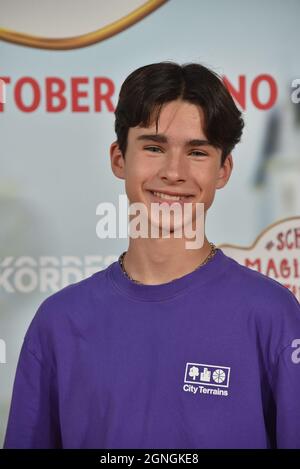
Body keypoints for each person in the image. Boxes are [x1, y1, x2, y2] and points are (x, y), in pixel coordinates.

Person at [3, 62, 300, 449]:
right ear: (119, 158)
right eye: (154, 147)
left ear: (223, 169)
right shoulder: (59, 322)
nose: (173, 172)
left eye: (197, 151)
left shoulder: (272, 314)